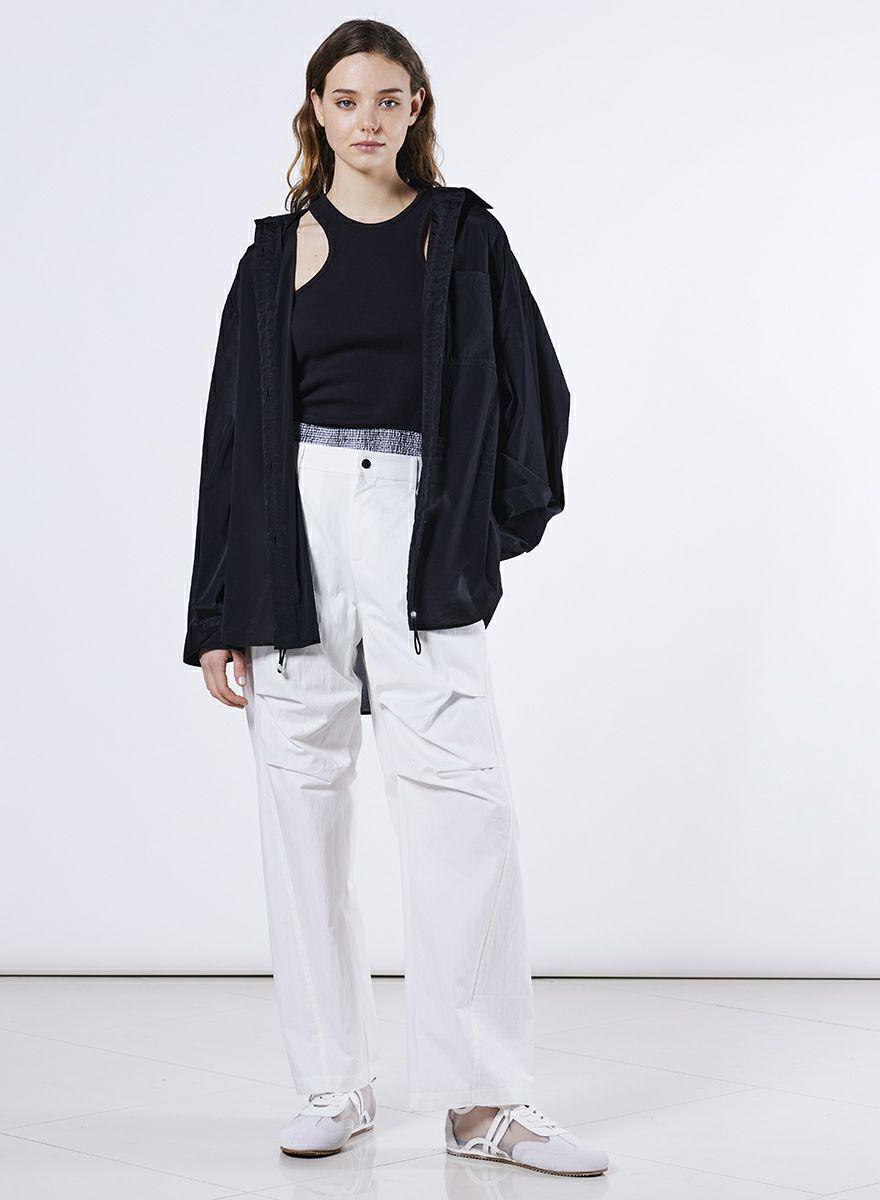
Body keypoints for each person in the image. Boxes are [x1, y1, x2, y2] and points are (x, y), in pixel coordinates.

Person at [183, 19, 609, 1180]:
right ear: (315, 111)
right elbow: (229, 439)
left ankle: (485, 1100)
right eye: (345, 98)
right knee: (300, 798)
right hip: (293, 527)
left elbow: (537, 394)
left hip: (421, 525)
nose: (365, 118)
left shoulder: (464, 237)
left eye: (387, 98)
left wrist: (480, 530)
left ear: (416, 107)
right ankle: (334, 1081)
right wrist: (216, 613)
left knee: (463, 801)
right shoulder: (271, 258)